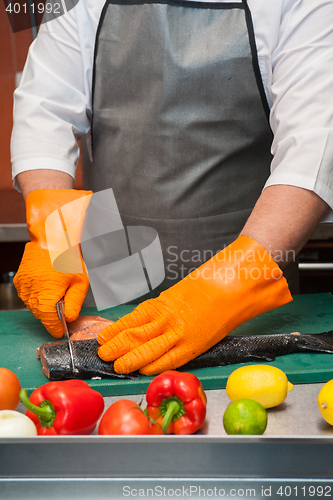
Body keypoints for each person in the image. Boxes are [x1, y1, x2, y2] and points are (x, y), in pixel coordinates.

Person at [11, 0, 333, 374]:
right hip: (107, 294)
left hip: (246, 306)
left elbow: (315, 145)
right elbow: (45, 110)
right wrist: (54, 234)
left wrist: (222, 294)